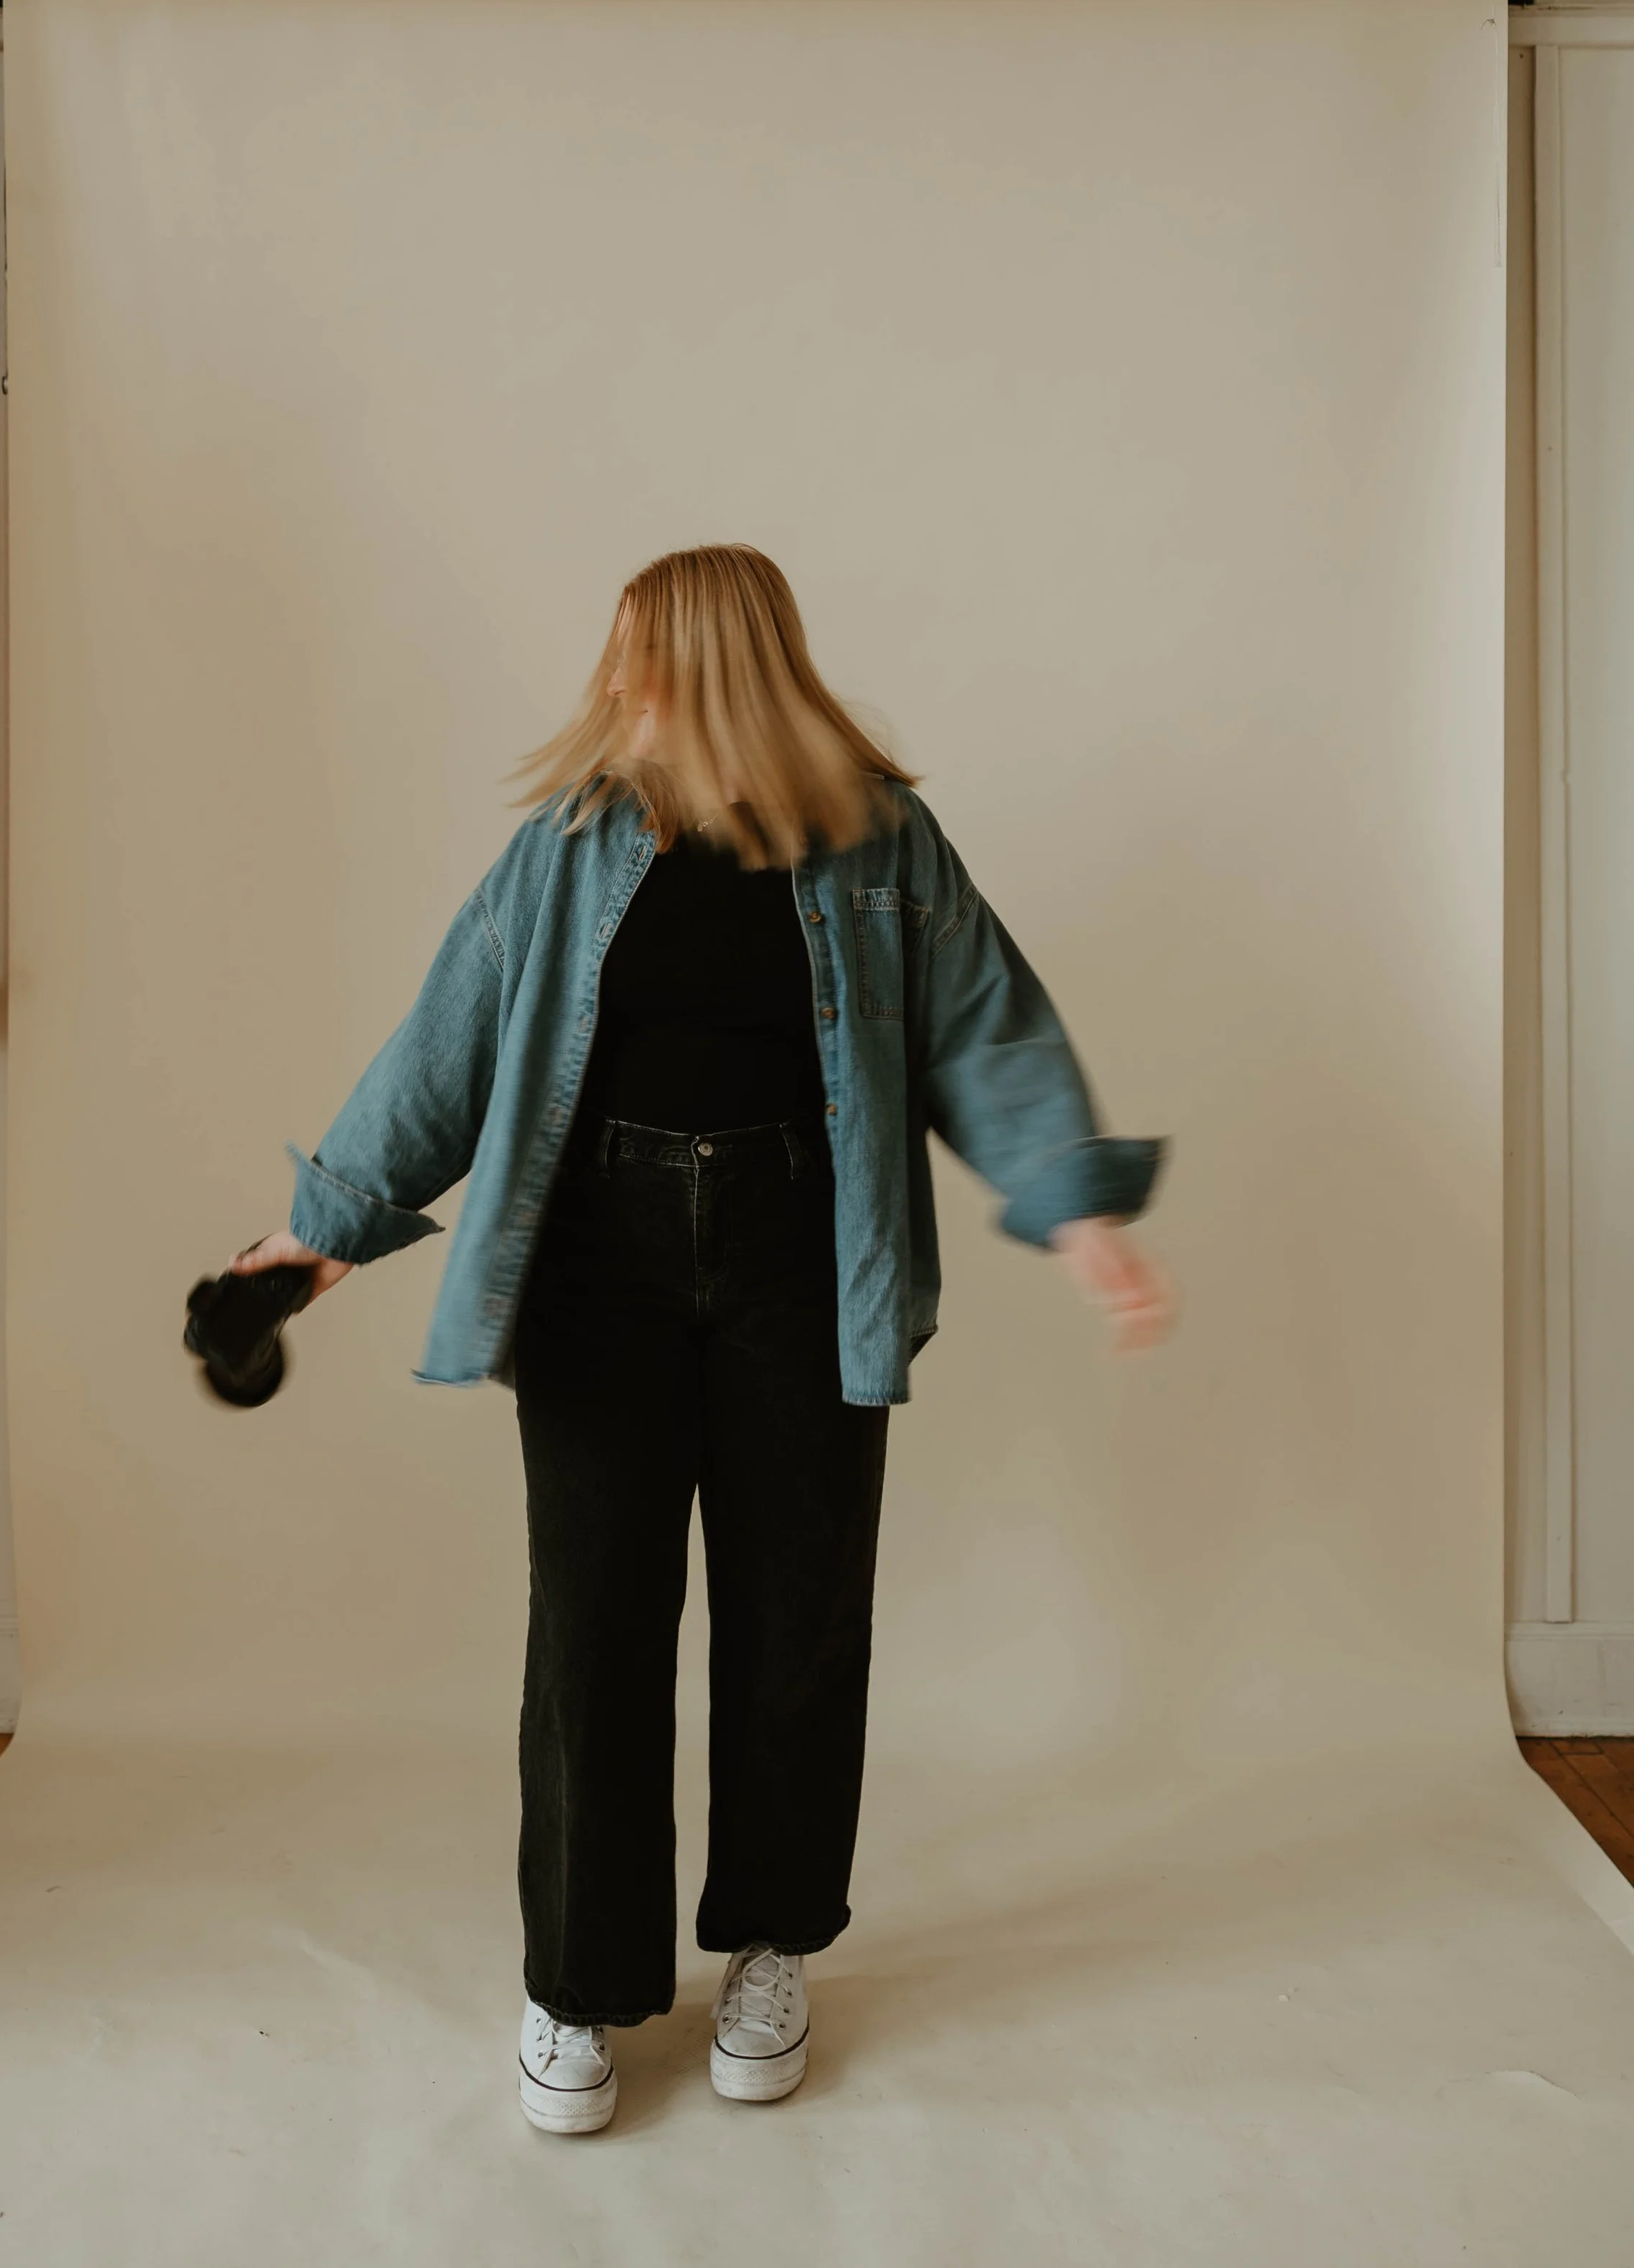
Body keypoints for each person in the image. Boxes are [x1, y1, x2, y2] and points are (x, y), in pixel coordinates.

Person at [230, 542, 1174, 2133]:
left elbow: (986, 1028)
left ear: (714, 669)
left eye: (635, 658)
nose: (609, 686)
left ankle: (767, 1946)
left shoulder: (881, 848)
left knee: (796, 1619)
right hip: (597, 1268)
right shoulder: (567, 849)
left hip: (803, 1260)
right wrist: (317, 1234)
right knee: (592, 1623)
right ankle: (578, 1984)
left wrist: (1077, 1211)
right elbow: (446, 1044)